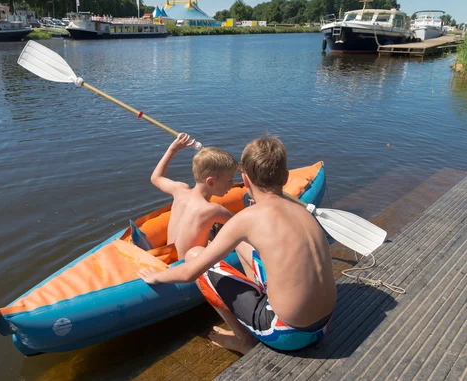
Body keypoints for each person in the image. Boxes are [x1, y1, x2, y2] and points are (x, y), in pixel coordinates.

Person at [139, 135, 337, 354]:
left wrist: (155, 276)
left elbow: (188, 273)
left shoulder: (247, 218)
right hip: (325, 325)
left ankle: (244, 340)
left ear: (246, 179)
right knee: (242, 241)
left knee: (195, 254)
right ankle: (261, 294)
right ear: (286, 177)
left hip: (287, 335)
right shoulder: (304, 212)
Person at [150, 133, 238, 260]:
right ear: (211, 182)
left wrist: (173, 149)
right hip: (189, 268)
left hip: (170, 260)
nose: (233, 184)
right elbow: (246, 226)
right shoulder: (212, 210)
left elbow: (155, 178)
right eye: (230, 180)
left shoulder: (179, 190)